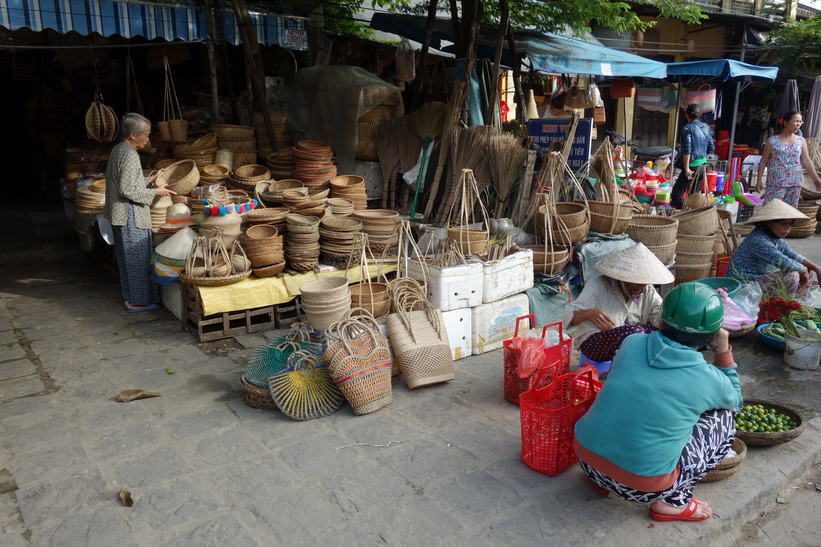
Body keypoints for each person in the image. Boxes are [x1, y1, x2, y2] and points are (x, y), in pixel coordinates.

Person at [575, 282, 741, 522]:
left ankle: (603, 483)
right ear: (710, 338)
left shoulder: (631, 342)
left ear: (661, 321)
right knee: (724, 419)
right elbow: (735, 399)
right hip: (641, 487)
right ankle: (672, 502)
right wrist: (723, 352)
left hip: (587, 460)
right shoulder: (708, 378)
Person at [104, 113, 176, 312]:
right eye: (146, 134)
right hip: (130, 215)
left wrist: (151, 179)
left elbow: (126, 183)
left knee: (127, 259)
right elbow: (126, 190)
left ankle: (131, 298)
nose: (148, 139)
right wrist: (156, 191)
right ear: (133, 135)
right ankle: (138, 302)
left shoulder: (118, 149)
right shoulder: (129, 154)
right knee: (136, 259)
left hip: (121, 214)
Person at [561, 243, 674, 364]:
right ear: (623, 276)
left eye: (644, 281)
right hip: (595, 344)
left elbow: (659, 312)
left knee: (665, 330)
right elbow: (567, 315)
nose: (641, 285)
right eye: (636, 280)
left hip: (631, 339)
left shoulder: (647, 289)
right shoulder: (600, 285)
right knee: (636, 334)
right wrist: (589, 313)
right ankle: (627, 370)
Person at [727, 198, 821, 299]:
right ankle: (786, 307)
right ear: (769, 223)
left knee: (808, 270)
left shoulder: (775, 239)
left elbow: (793, 255)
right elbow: (785, 263)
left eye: (790, 224)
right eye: (784, 224)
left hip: (759, 279)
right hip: (744, 286)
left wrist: (817, 268)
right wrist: (802, 270)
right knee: (792, 276)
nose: (788, 228)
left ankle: (799, 302)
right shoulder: (758, 240)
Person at [755, 111, 821, 207]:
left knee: (790, 212)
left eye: (800, 121)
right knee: (772, 209)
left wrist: (816, 178)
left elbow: (806, 161)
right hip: (775, 182)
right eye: (796, 121)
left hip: (795, 182)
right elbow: (763, 161)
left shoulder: (801, 141)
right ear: (785, 122)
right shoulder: (772, 141)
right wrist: (758, 180)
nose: (799, 124)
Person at [671, 104, 715, 209]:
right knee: (693, 197)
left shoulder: (687, 128)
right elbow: (711, 148)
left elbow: (687, 150)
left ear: (686, 115)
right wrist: (703, 160)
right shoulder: (706, 127)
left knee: (676, 196)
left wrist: (687, 168)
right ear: (699, 115)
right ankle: (691, 217)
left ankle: (685, 213)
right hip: (702, 166)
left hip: (692, 167)